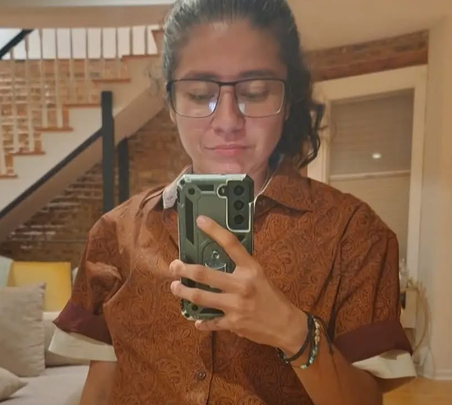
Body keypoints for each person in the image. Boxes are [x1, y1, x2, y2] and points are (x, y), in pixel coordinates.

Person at [51, 0, 416, 403]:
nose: (227, 120)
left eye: (255, 93)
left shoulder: (354, 234)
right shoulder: (114, 236)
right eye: (199, 93)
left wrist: (292, 331)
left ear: (287, 102)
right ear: (172, 104)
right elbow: (101, 389)